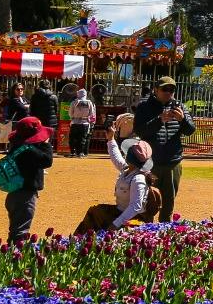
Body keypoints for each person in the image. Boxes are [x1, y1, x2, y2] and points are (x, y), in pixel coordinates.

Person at [133, 77, 195, 221]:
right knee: (147, 200)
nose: (168, 92)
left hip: (172, 163)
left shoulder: (180, 107)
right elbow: (140, 131)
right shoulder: (144, 107)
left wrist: (182, 120)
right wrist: (159, 120)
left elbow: (191, 130)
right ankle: (145, 234)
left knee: (168, 202)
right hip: (150, 163)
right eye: (165, 89)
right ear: (156, 90)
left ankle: (164, 234)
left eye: (171, 90)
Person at [75, 132, 156, 235]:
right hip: (120, 212)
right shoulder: (127, 169)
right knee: (94, 212)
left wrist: (116, 224)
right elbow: (116, 157)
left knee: (114, 230)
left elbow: (136, 206)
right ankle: (79, 240)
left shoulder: (138, 179)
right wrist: (111, 139)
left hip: (134, 218)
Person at [0, 115, 55, 243]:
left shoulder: (16, 147)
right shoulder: (30, 151)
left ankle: (12, 253)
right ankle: (14, 257)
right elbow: (47, 160)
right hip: (25, 195)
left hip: (14, 193)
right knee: (20, 233)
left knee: (16, 227)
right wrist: (46, 145)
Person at [29, 79, 60, 157]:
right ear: (49, 86)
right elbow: (56, 109)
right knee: (48, 139)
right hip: (51, 121)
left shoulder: (35, 96)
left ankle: (38, 154)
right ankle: (47, 155)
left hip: (38, 121)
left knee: (38, 138)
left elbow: (31, 109)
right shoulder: (54, 96)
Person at [67, 89, 96, 158]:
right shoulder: (89, 102)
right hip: (85, 123)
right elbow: (91, 113)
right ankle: (80, 152)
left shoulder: (74, 102)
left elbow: (70, 113)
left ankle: (72, 152)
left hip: (75, 122)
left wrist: (74, 117)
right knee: (82, 138)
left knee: (73, 138)